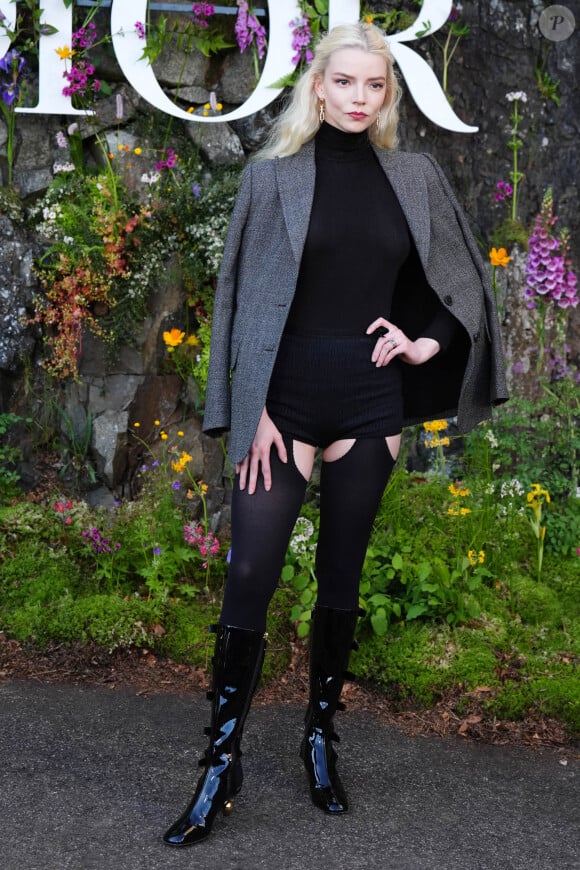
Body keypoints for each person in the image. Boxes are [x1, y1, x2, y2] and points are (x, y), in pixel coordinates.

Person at [163, 21, 508, 847]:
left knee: (342, 575)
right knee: (250, 568)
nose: (359, 97)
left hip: (368, 403)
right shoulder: (271, 176)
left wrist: (424, 340)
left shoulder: (414, 175)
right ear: (317, 86)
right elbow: (238, 303)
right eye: (345, 82)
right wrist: (254, 410)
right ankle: (220, 757)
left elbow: (455, 276)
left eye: (374, 86)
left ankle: (321, 737)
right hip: (285, 405)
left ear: (388, 95)